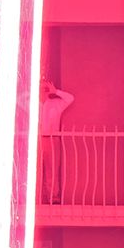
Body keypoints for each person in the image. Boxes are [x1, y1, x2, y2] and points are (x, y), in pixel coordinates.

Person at [37, 75, 74, 203]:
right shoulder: (33, 105)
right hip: (38, 139)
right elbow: (19, 100)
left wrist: (55, 91)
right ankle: (37, 197)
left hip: (52, 139)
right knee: (37, 168)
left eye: (44, 88)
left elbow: (70, 98)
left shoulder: (55, 104)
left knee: (51, 169)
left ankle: (53, 197)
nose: (42, 90)